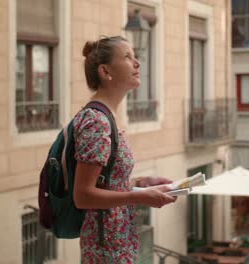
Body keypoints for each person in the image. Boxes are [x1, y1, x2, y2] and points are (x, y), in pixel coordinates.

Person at [73, 35, 177, 263]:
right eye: (128, 57)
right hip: (106, 249)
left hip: (116, 243)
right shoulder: (97, 121)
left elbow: (105, 183)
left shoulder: (106, 117)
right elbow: (82, 195)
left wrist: (140, 184)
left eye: (135, 56)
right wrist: (137, 197)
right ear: (106, 72)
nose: (137, 63)